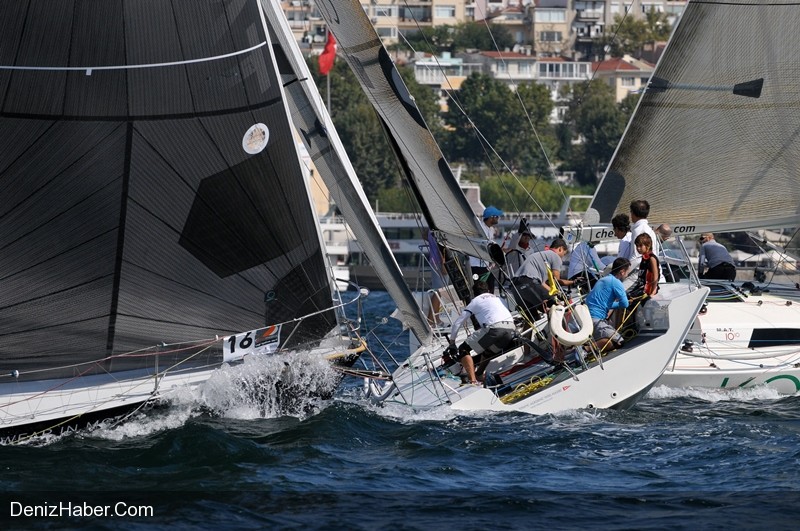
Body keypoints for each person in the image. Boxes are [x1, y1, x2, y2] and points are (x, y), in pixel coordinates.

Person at [447, 280, 516, 384]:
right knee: (489, 352)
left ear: (474, 294)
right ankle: (479, 374)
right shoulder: (498, 298)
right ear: (488, 290)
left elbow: (458, 322)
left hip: (494, 329)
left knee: (463, 349)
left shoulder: (475, 301)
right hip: (511, 328)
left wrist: (452, 343)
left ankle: (473, 381)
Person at [585, 257, 631, 352]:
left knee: (608, 338)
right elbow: (625, 304)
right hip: (596, 319)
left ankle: (589, 348)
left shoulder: (603, 279)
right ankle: (585, 349)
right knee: (618, 342)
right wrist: (620, 303)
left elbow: (605, 304)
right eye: (627, 272)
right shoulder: (616, 283)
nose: (627, 275)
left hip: (587, 317)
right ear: (622, 272)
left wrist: (615, 304)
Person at [471, 206, 502, 293]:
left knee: (490, 286)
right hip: (475, 266)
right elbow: (485, 245)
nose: (498, 218)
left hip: (485, 266)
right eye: (497, 216)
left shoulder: (491, 229)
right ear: (491, 217)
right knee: (477, 288)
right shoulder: (479, 228)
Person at [630, 233, 660, 297]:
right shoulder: (644, 258)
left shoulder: (652, 258)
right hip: (641, 287)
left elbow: (655, 276)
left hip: (648, 289)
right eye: (637, 246)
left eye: (640, 246)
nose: (638, 248)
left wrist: (653, 291)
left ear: (648, 245)